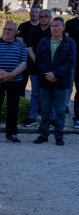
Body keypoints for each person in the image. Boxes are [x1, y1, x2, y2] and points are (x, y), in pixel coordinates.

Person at [33, 17, 76, 145]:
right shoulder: (43, 42)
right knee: (45, 110)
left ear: (63, 28)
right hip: (45, 81)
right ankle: (43, 134)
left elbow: (70, 61)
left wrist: (55, 74)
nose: (54, 28)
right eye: (52, 26)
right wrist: (47, 74)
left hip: (61, 82)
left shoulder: (70, 43)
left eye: (57, 26)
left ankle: (59, 135)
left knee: (60, 111)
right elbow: (38, 60)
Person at [0, 22, 28, 143]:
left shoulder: (21, 45)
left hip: (15, 80)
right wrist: (2, 74)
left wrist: (11, 75)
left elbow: (24, 63)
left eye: (10, 29)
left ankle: (12, 133)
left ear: (15, 32)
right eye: (5, 29)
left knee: (13, 107)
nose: (6, 31)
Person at [23, 8, 53, 126]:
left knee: (50, 93)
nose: (43, 18)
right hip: (36, 67)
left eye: (46, 16)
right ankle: (32, 117)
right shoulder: (34, 31)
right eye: (41, 17)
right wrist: (37, 62)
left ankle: (52, 118)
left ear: (50, 18)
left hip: (51, 68)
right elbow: (29, 48)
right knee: (35, 93)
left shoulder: (53, 30)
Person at [17, 5, 40, 97]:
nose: (34, 14)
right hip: (24, 59)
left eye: (36, 12)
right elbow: (19, 43)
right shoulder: (23, 26)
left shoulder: (44, 28)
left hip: (38, 59)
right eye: (32, 12)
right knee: (21, 86)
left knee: (37, 87)